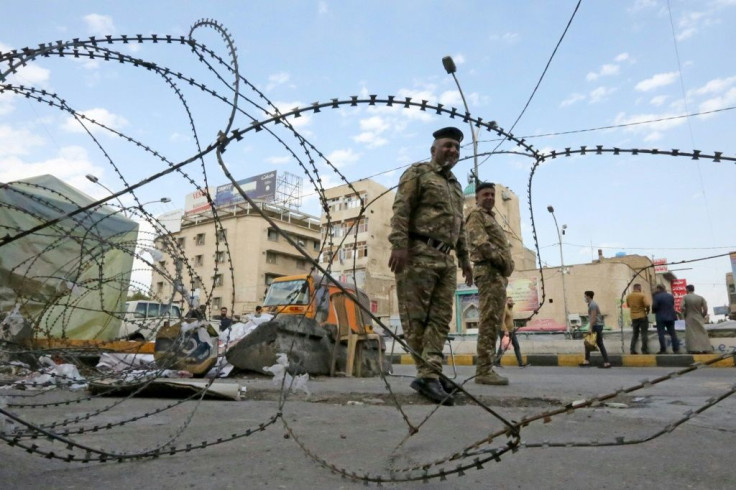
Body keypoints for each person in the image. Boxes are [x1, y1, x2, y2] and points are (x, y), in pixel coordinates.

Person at [388, 126, 473, 405]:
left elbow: (459, 225)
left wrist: (464, 260)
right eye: (447, 145)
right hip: (418, 252)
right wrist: (399, 245)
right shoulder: (418, 173)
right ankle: (427, 374)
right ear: (433, 149)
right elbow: (402, 208)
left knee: (439, 319)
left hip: (445, 259)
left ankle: (431, 371)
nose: (453, 150)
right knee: (417, 318)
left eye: (457, 148)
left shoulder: (455, 186)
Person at [465, 181, 514, 385]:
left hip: (496, 273)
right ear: (477, 198)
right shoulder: (476, 216)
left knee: (493, 320)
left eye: (492, 195)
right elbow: (481, 244)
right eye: (485, 195)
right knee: (489, 320)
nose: (490, 198)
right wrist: (505, 264)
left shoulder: (491, 218)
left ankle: (487, 368)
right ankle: (484, 370)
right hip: (489, 271)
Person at [580, 290, 611, 368]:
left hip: (596, 326)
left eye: (585, 296)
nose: (584, 298)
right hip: (597, 325)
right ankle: (588, 360)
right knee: (591, 343)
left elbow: (593, 317)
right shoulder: (591, 304)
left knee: (590, 342)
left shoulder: (593, 305)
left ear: (589, 296)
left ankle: (605, 362)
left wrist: (590, 328)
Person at [495, 297, 529, 368]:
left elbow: (510, 321)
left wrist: (513, 328)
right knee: (503, 347)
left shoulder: (510, 309)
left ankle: (521, 363)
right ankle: (497, 362)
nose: (511, 302)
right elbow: (502, 321)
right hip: (504, 331)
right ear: (506, 301)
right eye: (510, 301)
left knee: (516, 346)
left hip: (512, 331)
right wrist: (506, 330)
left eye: (512, 301)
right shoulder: (504, 309)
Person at [679, 284, 712, 353]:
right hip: (699, 317)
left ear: (687, 289)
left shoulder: (685, 297)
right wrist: (702, 315)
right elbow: (705, 309)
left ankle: (693, 349)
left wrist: (684, 314)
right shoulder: (700, 297)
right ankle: (705, 348)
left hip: (689, 317)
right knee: (702, 333)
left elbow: (681, 307)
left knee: (691, 334)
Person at [651, 284, 680, 354]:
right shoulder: (670, 296)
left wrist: (654, 311)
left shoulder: (656, 296)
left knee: (661, 334)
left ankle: (663, 350)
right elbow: (672, 305)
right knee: (673, 333)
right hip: (671, 316)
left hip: (660, 317)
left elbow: (654, 306)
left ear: (658, 289)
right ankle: (676, 349)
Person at [626, 283, 651, 354]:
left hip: (633, 317)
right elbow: (647, 305)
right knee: (644, 333)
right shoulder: (642, 295)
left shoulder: (629, 296)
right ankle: (644, 350)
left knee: (635, 334)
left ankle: (632, 349)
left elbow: (628, 305)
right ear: (639, 288)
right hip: (642, 316)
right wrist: (648, 310)